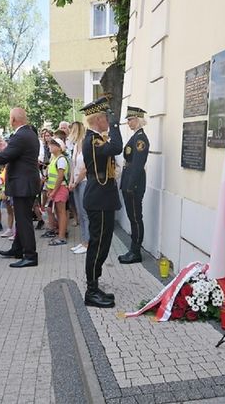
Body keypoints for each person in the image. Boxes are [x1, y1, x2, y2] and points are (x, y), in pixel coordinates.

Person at [81, 97, 123, 308]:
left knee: (102, 245)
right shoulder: (94, 140)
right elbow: (117, 147)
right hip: (99, 199)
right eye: (107, 117)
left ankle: (94, 285)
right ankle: (91, 291)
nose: (108, 121)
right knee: (98, 246)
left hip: (101, 198)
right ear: (98, 119)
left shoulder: (95, 138)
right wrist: (116, 124)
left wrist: (113, 123)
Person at [0, 108, 41, 268]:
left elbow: (4, 157)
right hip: (26, 183)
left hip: (23, 184)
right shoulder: (29, 133)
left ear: (13, 120)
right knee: (21, 218)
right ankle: (17, 248)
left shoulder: (21, 135)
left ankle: (30, 256)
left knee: (24, 221)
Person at [118, 106, 149, 264]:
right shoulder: (136, 137)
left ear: (138, 119)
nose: (129, 122)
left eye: (130, 119)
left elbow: (137, 165)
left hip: (134, 185)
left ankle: (136, 252)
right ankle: (133, 249)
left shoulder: (140, 139)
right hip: (130, 181)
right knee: (133, 217)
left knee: (136, 218)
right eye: (128, 120)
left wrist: (130, 186)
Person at [68, 121, 89, 255]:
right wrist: (71, 181)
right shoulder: (75, 146)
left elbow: (85, 168)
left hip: (84, 182)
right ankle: (83, 241)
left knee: (85, 213)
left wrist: (75, 182)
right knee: (80, 213)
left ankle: (88, 242)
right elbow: (73, 166)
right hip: (76, 182)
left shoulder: (85, 145)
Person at [45, 137, 69, 246]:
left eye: (53, 145)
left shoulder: (61, 159)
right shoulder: (54, 159)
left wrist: (53, 191)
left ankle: (62, 236)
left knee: (61, 212)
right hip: (55, 189)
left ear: (59, 148)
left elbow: (60, 177)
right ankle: (60, 233)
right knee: (58, 212)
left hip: (60, 189)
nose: (50, 146)